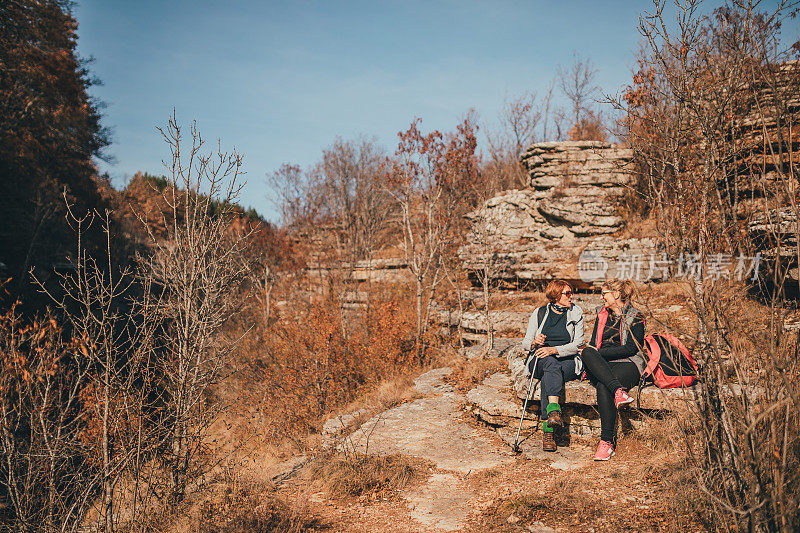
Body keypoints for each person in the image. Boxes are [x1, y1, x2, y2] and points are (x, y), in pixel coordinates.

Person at [580, 278, 645, 461]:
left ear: (616, 295)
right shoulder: (602, 315)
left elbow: (632, 349)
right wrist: (595, 352)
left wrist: (599, 353)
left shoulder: (636, 317)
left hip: (629, 363)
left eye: (604, 293)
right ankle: (618, 391)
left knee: (602, 386)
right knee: (587, 352)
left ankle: (606, 443)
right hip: (604, 364)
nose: (601, 297)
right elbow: (593, 345)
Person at [521, 279, 584, 451]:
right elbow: (525, 343)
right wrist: (534, 342)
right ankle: (554, 412)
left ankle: (548, 431)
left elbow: (579, 343)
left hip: (567, 361)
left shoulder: (576, 312)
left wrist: (554, 349)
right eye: (567, 293)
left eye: (571, 292)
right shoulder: (540, 313)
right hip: (541, 359)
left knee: (550, 373)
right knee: (550, 364)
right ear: (556, 295)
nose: (571, 296)